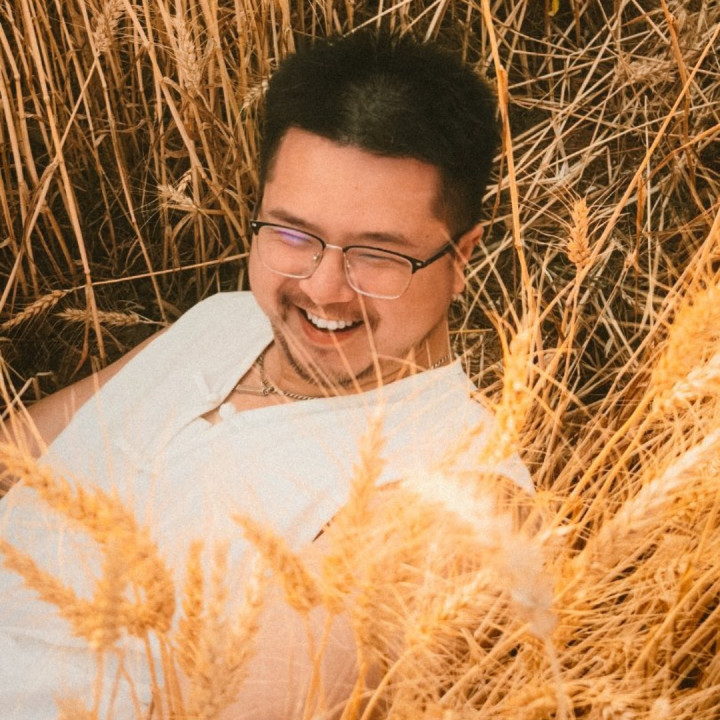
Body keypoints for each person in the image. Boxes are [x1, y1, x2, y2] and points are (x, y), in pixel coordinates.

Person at [0, 30, 532, 718]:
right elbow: (16, 456)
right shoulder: (226, 321)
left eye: (377, 254)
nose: (322, 289)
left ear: (462, 258)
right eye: (292, 234)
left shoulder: (443, 498)